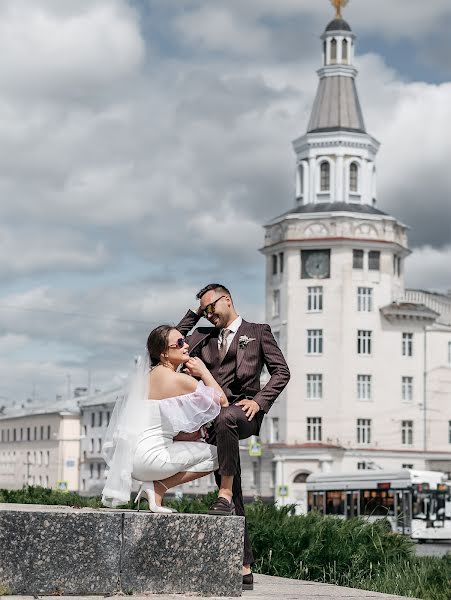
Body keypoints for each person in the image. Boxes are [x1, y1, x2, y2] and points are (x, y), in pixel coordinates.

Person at [177, 284, 290, 590]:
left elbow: (282, 372)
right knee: (235, 480)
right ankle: (244, 565)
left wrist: (260, 401)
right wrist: (196, 313)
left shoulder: (257, 332)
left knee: (228, 418)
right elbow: (169, 343)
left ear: (227, 299)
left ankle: (223, 494)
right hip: (212, 420)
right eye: (205, 310)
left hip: (244, 413)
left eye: (212, 307)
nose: (209, 314)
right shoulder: (202, 335)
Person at [101, 325, 228, 512]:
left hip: (130, 462)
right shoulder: (176, 379)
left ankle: (154, 492)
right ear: (164, 354)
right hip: (152, 460)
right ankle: (158, 487)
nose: (186, 345)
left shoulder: (146, 378)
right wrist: (203, 372)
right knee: (219, 454)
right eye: (179, 343)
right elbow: (222, 401)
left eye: (184, 340)